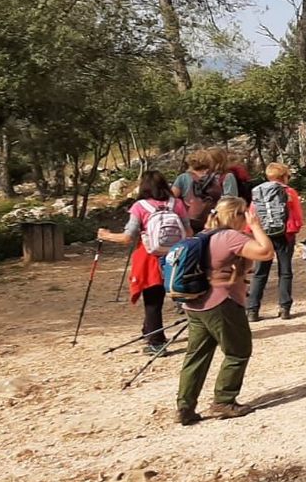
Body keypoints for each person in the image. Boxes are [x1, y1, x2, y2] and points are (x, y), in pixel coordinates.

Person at [175, 197, 274, 426]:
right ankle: (224, 400)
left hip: (195, 303)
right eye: (245, 214)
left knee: (196, 355)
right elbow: (266, 252)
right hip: (222, 302)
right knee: (238, 351)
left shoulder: (204, 234)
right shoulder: (230, 237)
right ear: (237, 215)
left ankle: (185, 406)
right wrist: (256, 226)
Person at [98, 171, 192, 354]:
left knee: (152, 301)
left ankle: (156, 342)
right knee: (177, 296)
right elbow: (188, 232)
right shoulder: (177, 204)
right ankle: (150, 331)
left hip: (149, 258)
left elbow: (127, 237)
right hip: (176, 255)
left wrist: (106, 235)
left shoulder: (139, 207)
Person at [246, 162, 305, 322]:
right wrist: (296, 228)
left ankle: (252, 310)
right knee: (285, 271)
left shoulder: (258, 191)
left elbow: (252, 213)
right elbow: (297, 214)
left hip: (263, 235)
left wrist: (253, 231)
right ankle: (284, 307)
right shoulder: (289, 191)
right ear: (284, 176)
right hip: (285, 235)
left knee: (260, 272)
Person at [172, 149, 236, 232]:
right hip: (212, 220)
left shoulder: (183, 177)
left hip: (189, 220)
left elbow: (171, 198)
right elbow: (229, 200)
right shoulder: (216, 177)